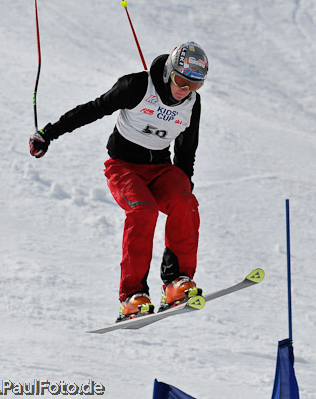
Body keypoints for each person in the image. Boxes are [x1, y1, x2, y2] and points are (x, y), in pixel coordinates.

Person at [29, 41, 209, 322]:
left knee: (186, 203)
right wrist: (48, 133)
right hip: (124, 168)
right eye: (180, 81)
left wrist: (182, 190)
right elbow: (93, 109)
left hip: (160, 169)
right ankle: (132, 296)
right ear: (168, 73)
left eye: (193, 86)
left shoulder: (191, 104)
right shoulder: (137, 87)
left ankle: (177, 283)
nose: (184, 91)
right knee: (143, 210)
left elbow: (187, 151)